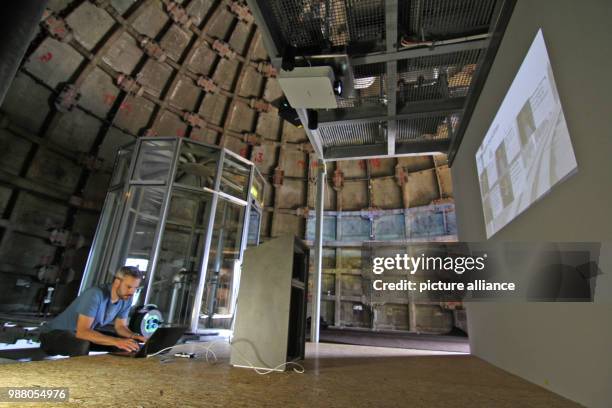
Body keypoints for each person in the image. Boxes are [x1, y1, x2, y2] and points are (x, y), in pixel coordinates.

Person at [39, 266, 147, 357]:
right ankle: (78, 378)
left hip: (80, 334)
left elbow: (120, 327)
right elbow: (83, 332)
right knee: (82, 344)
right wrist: (116, 341)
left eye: (135, 288)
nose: (132, 292)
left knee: (129, 344)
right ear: (117, 282)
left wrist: (134, 336)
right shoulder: (95, 295)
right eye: (129, 287)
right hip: (53, 335)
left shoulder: (126, 298)